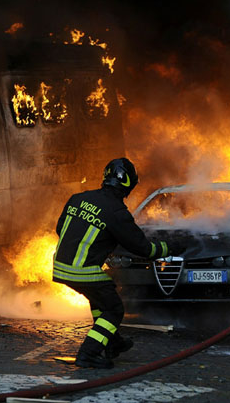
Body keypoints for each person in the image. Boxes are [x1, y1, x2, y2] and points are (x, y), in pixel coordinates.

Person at [52, 157, 185, 368]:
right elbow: (144, 249)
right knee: (114, 309)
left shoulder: (77, 198)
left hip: (60, 266)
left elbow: (61, 229)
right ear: (129, 185)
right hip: (82, 270)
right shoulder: (117, 213)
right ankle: (88, 353)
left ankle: (113, 343)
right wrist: (170, 247)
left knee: (100, 300)